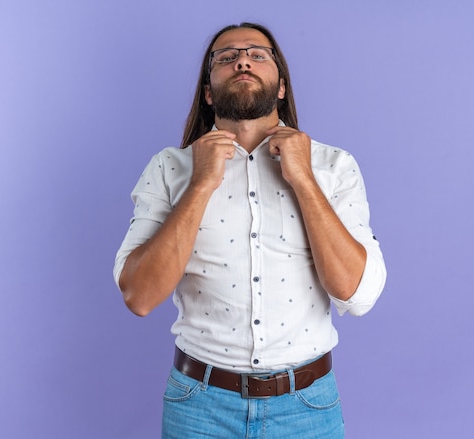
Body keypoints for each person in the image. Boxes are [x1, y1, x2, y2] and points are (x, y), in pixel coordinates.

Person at [113, 22, 386, 439]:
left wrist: (305, 181)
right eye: (226, 57)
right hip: (198, 409)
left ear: (280, 86)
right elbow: (140, 295)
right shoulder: (169, 168)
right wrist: (201, 183)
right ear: (208, 91)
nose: (242, 60)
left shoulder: (333, 167)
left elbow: (358, 294)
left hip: (307, 408)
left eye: (258, 54)